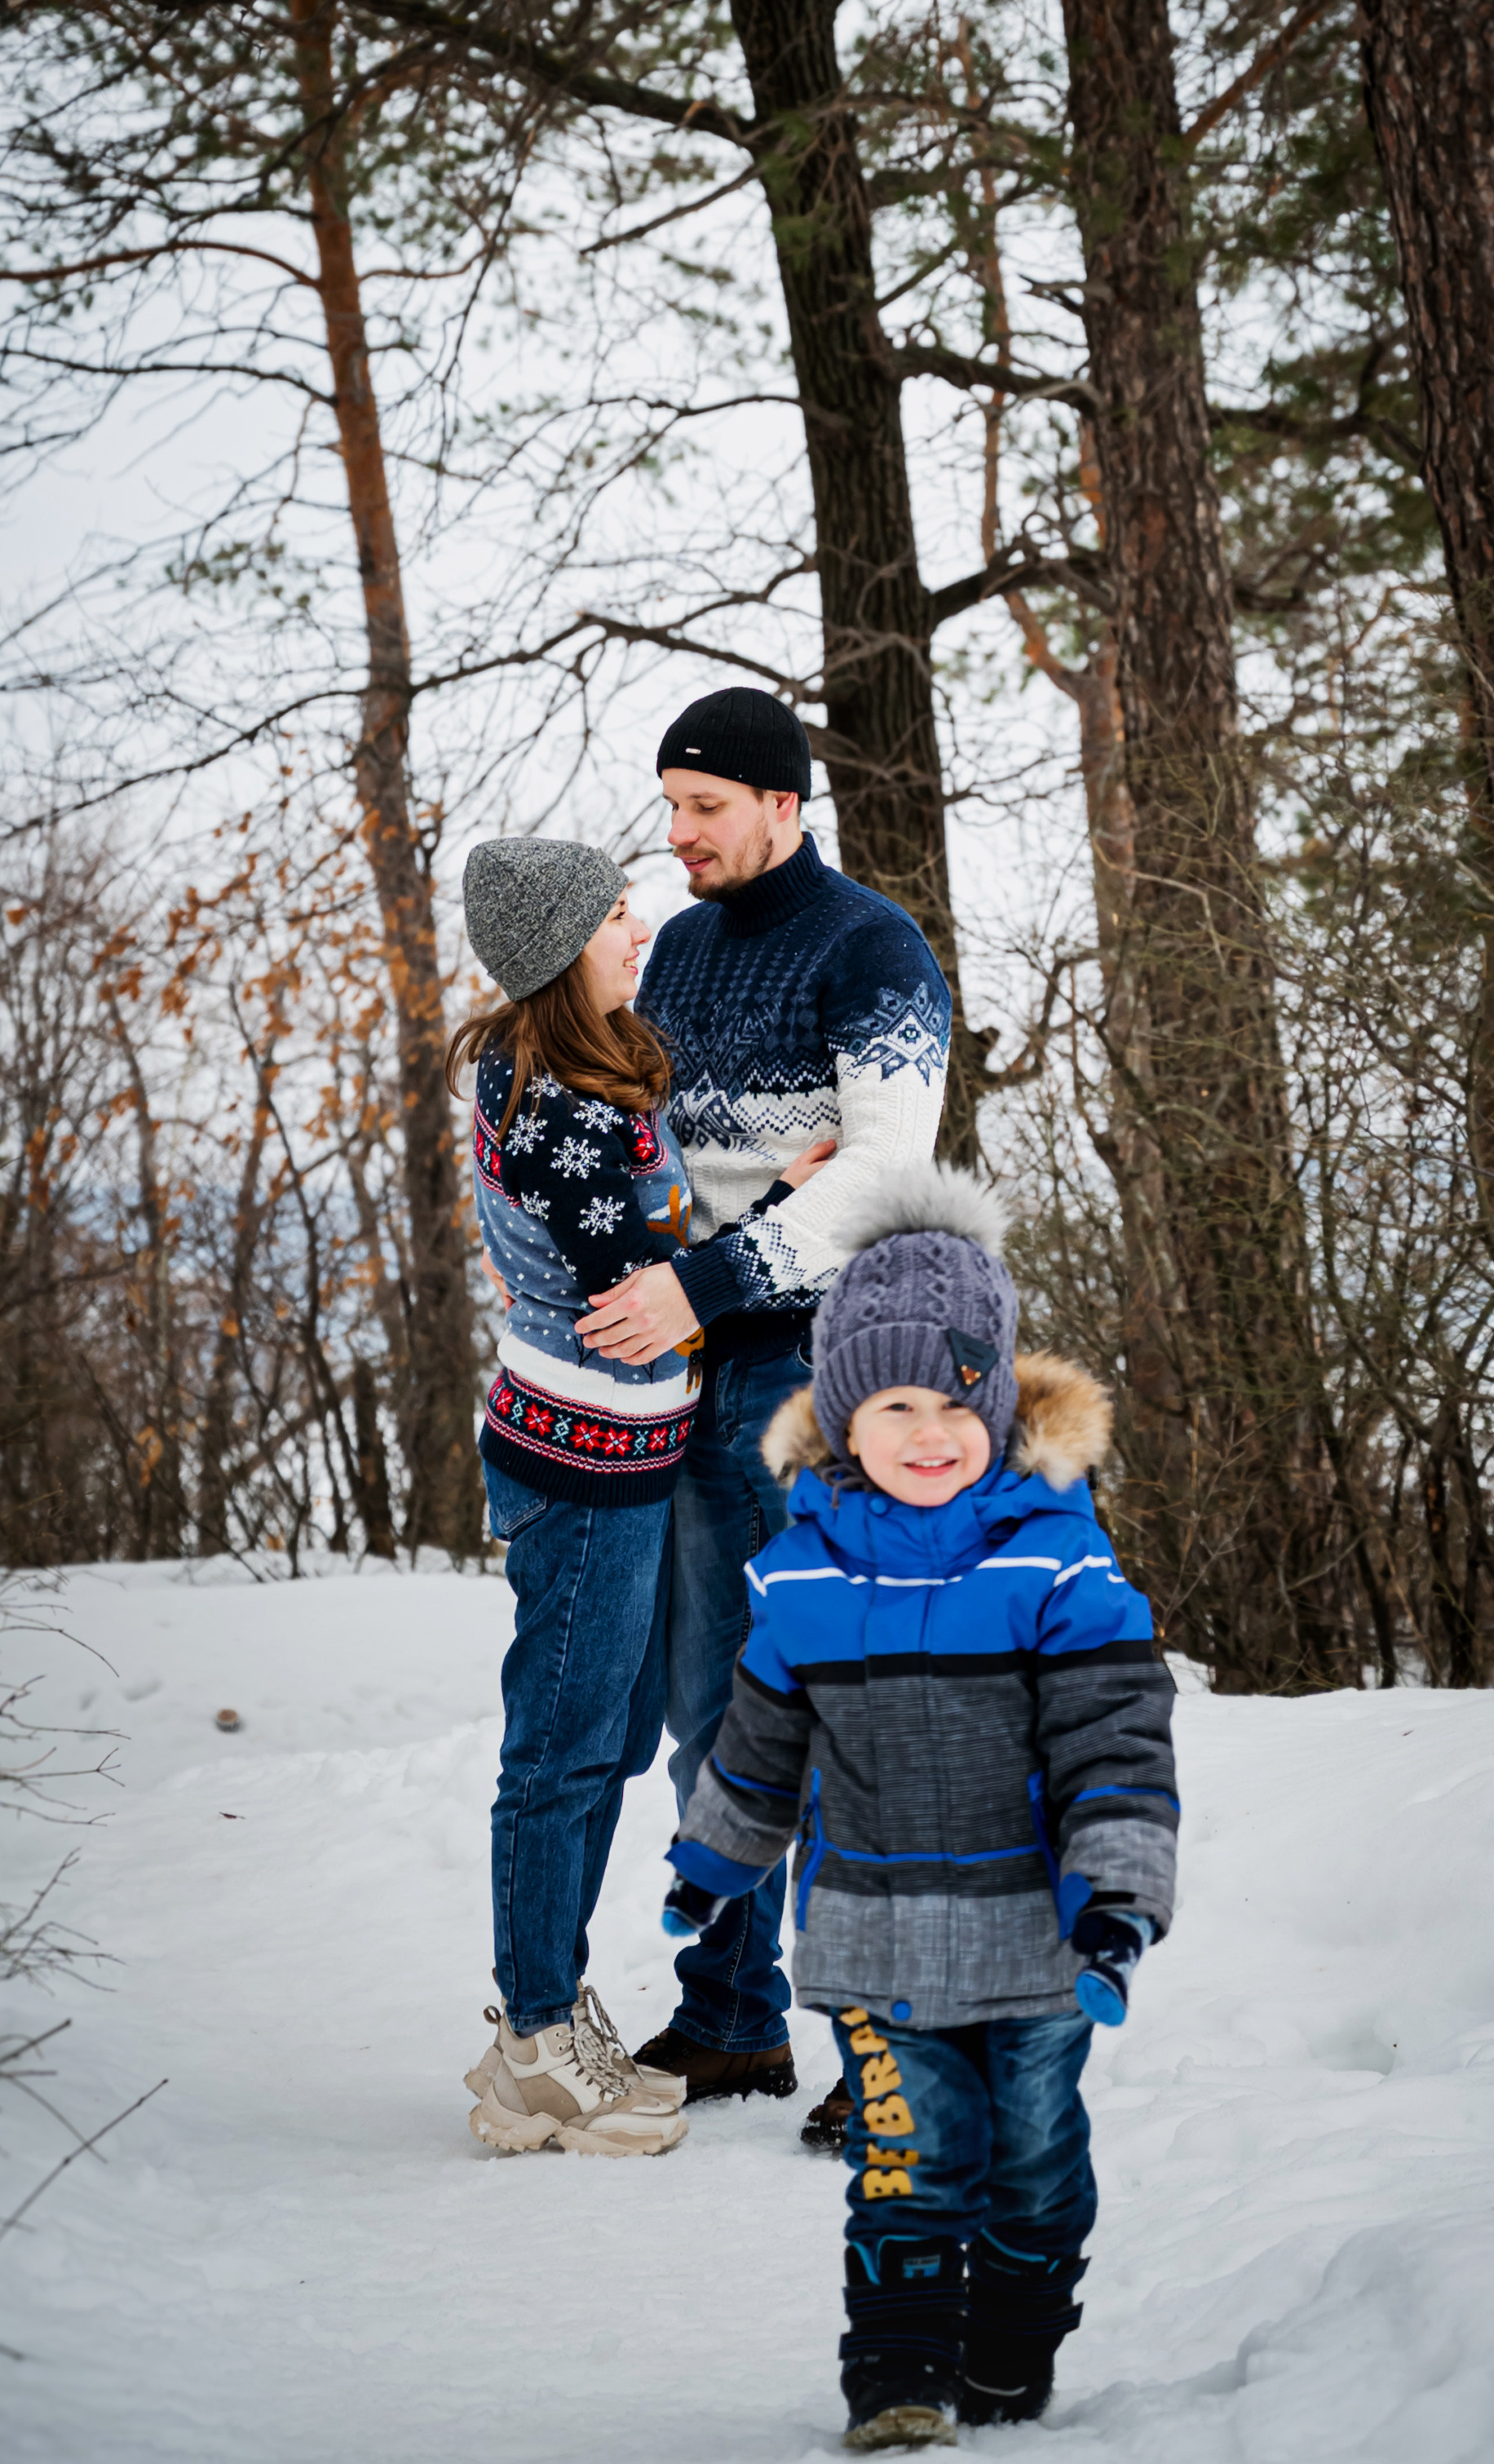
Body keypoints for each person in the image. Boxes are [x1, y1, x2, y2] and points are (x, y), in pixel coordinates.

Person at [660, 1164, 1179, 2448]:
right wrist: (712, 1860)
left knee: (1035, 2170)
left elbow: (1113, 1734)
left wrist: (1116, 1889)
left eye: (956, 1399)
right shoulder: (800, 1575)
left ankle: (1007, 2352)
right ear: (843, 1415)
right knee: (906, 2167)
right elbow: (760, 1741)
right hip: (872, 1947)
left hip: (1037, 1944)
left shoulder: (1056, 1557)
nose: (929, 1429)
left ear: (997, 1403)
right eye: (895, 1401)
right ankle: (894, 2378)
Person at [572, 687, 951, 2124]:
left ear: (784, 804)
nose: (675, 835)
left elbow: (880, 1173)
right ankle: (729, 2015)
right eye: (668, 805)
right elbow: (649, 1143)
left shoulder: (874, 949)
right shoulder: (671, 949)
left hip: (824, 1373)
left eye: (703, 807)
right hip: (689, 1372)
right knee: (708, 1712)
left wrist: (715, 1267)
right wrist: (702, 1225)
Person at [451, 834, 832, 2158]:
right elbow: (641, 1289)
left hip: (613, 1449)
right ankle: (535, 2048)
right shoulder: (560, 1101)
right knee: (563, 1750)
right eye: (615, 914)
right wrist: (797, 1195)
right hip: (586, 1462)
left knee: (596, 1744)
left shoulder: (575, 1070)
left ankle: (545, 2021)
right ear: (562, 951)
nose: (640, 926)